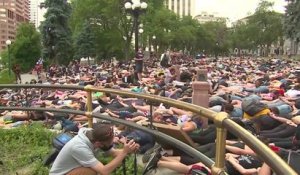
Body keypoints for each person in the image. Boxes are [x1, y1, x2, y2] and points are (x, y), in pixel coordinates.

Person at [49, 123, 139, 175]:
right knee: (92, 171)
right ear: (98, 143)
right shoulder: (79, 147)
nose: (112, 144)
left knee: (93, 170)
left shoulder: (94, 135)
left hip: (73, 169)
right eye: (110, 143)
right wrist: (124, 152)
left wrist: (129, 150)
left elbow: (114, 153)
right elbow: (104, 171)